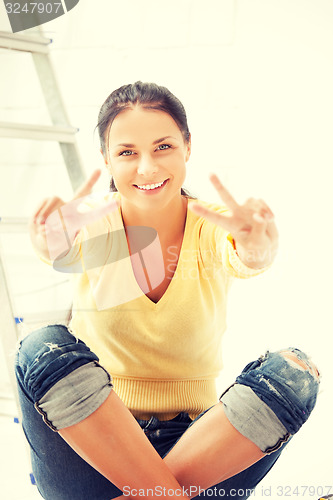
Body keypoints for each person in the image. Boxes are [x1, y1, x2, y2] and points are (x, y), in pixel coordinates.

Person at [15, 81, 320, 500]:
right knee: (40, 347)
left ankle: (154, 490)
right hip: (95, 442)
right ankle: (166, 494)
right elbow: (60, 246)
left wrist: (257, 248)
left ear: (187, 147)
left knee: (295, 373)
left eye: (163, 147)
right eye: (127, 153)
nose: (147, 168)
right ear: (106, 159)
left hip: (199, 448)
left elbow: (244, 256)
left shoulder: (213, 225)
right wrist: (49, 241)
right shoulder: (91, 221)